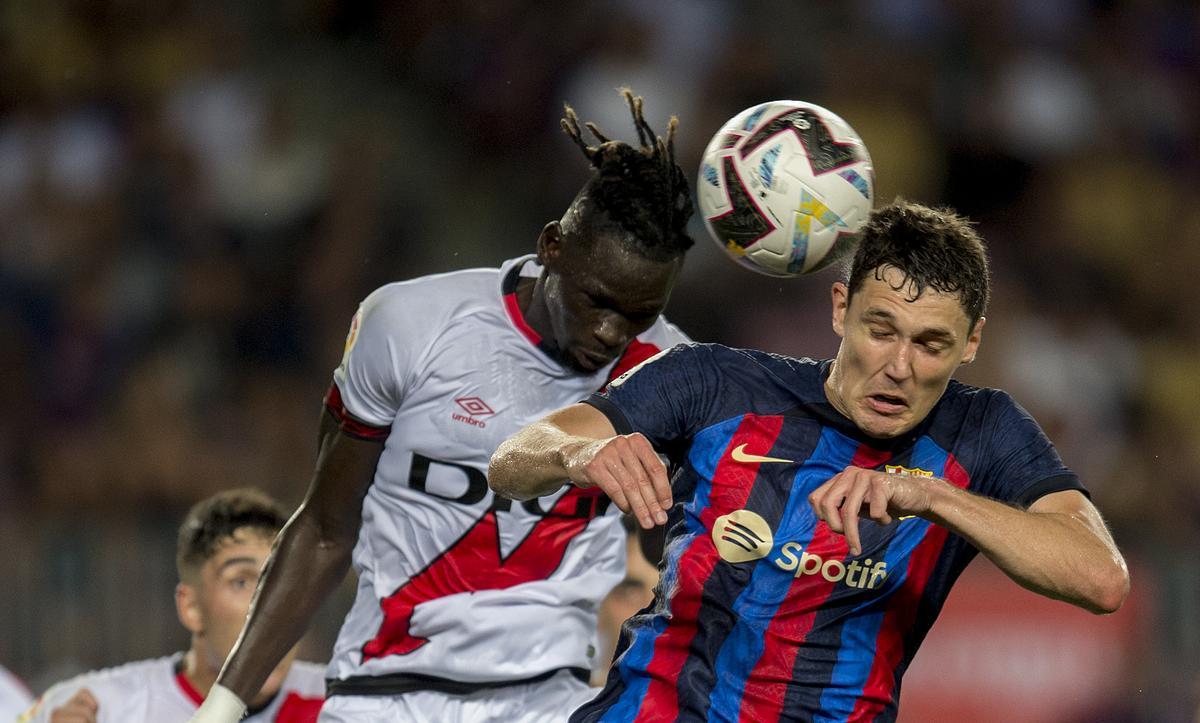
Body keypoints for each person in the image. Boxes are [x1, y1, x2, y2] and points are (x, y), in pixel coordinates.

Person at [489, 200, 1131, 721]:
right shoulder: (716, 381)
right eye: (880, 330)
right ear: (839, 308)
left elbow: (1101, 579)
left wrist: (937, 498)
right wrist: (583, 450)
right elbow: (514, 459)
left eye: (931, 344)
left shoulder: (984, 433)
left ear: (972, 343)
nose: (899, 367)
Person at [187, 90, 695, 723]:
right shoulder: (409, 325)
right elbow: (323, 528)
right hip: (383, 694)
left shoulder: (671, 373)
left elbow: (679, 552)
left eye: (639, 314)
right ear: (551, 247)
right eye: (598, 302)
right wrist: (222, 707)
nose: (613, 334)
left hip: (551, 699)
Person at [20, 489, 324, 723]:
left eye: (286, 581)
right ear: (191, 608)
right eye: (241, 582)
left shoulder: (347, 703)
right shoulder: (102, 708)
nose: (271, 606)